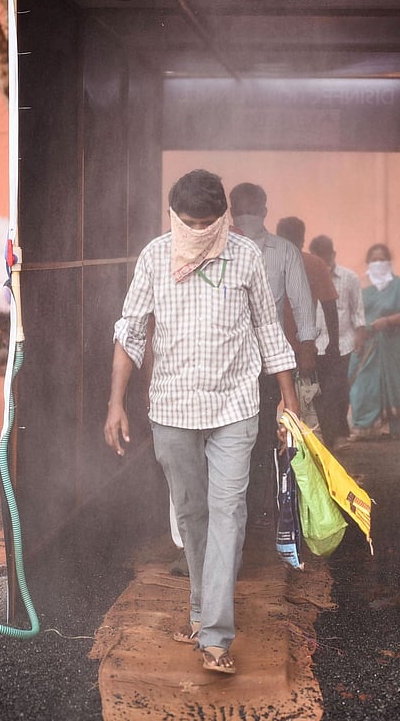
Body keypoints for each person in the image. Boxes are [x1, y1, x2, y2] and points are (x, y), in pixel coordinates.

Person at [103, 169, 298, 677]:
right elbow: (131, 333)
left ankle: (215, 637)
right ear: (174, 216)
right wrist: (115, 403)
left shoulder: (247, 257)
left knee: (229, 515)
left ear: (223, 217)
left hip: (235, 408)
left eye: (207, 222)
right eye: (188, 222)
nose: (197, 230)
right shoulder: (153, 257)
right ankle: (198, 611)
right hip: (171, 411)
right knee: (192, 517)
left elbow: (269, 332)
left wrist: (289, 401)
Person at [228, 183, 316, 525]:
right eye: (242, 210)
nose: (248, 215)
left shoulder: (283, 250)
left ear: (265, 211)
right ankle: (244, 511)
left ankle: (257, 510)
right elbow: (302, 302)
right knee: (244, 437)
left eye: (252, 209)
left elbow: (301, 301)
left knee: (263, 436)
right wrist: (307, 348)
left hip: (267, 366)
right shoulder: (219, 248)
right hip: (230, 365)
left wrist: (306, 346)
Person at [275, 216, 338, 433]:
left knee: (271, 402)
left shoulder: (267, 261)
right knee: (306, 402)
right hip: (304, 347)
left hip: (272, 347)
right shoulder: (315, 264)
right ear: (302, 238)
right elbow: (330, 307)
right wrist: (333, 343)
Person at [309, 235, 365, 444]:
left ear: (333, 255)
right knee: (320, 393)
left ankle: (336, 435)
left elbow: (357, 310)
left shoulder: (349, 278)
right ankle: (330, 436)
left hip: (343, 344)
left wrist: (360, 336)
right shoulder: (306, 276)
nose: (322, 262)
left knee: (337, 390)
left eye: (325, 257)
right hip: (315, 346)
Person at [348, 243, 400, 439]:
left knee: (396, 385)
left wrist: (388, 321)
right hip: (368, 345)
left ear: (389, 261)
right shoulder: (363, 288)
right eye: (374, 260)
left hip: (394, 346)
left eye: (382, 259)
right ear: (368, 263)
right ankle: (366, 428)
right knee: (363, 384)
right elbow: (354, 315)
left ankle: (393, 429)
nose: (378, 263)